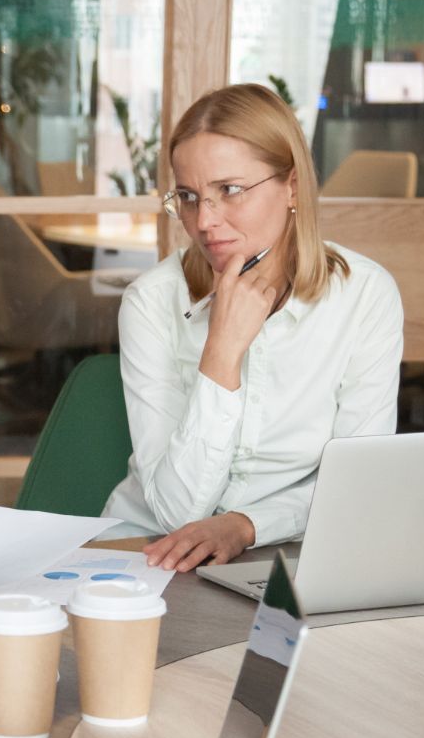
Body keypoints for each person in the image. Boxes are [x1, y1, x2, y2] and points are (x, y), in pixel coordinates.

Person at [101, 83, 404, 572]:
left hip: (289, 551)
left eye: (230, 190)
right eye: (189, 197)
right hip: (151, 552)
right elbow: (177, 513)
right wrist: (222, 350)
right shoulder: (151, 302)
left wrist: (247, 525)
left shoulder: (365, 296)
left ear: (293, 187)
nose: (205, 221)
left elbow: (358, 485)